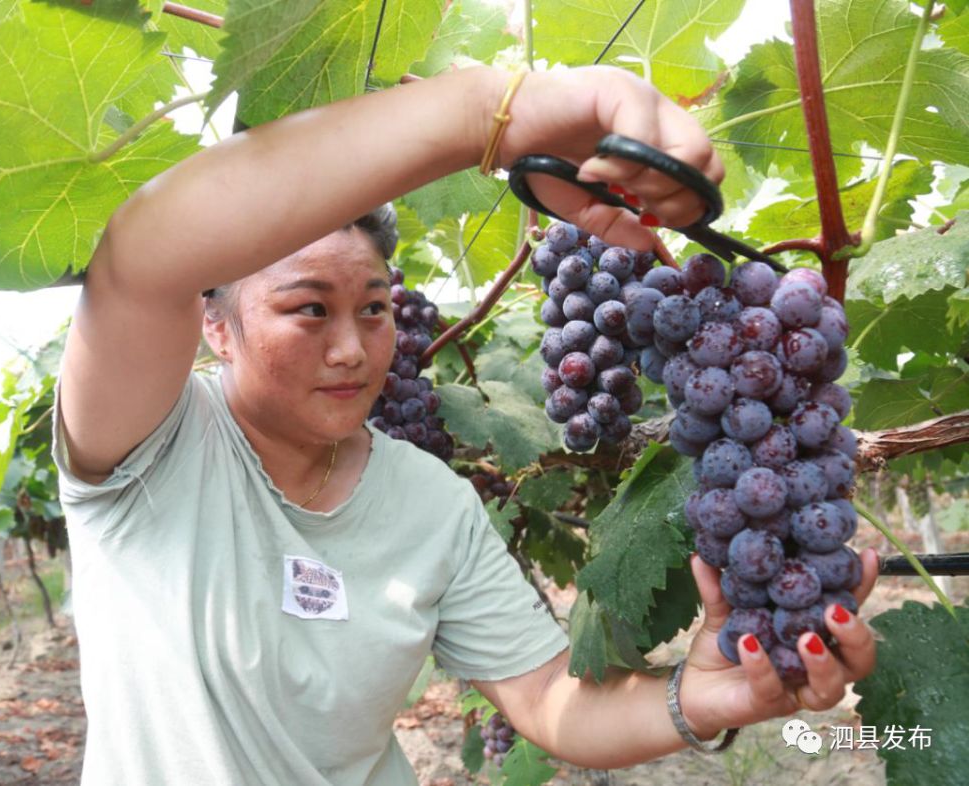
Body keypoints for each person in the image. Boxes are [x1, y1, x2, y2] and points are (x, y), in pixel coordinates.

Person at [53, 64, 878, 784]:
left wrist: (697, 697)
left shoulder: (430, 500)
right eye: (309, 309)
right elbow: (141, 254)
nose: (352, 349)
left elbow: (548, 700)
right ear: (217, 326)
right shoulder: (148, 452)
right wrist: (499, 112)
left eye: (375, 310)